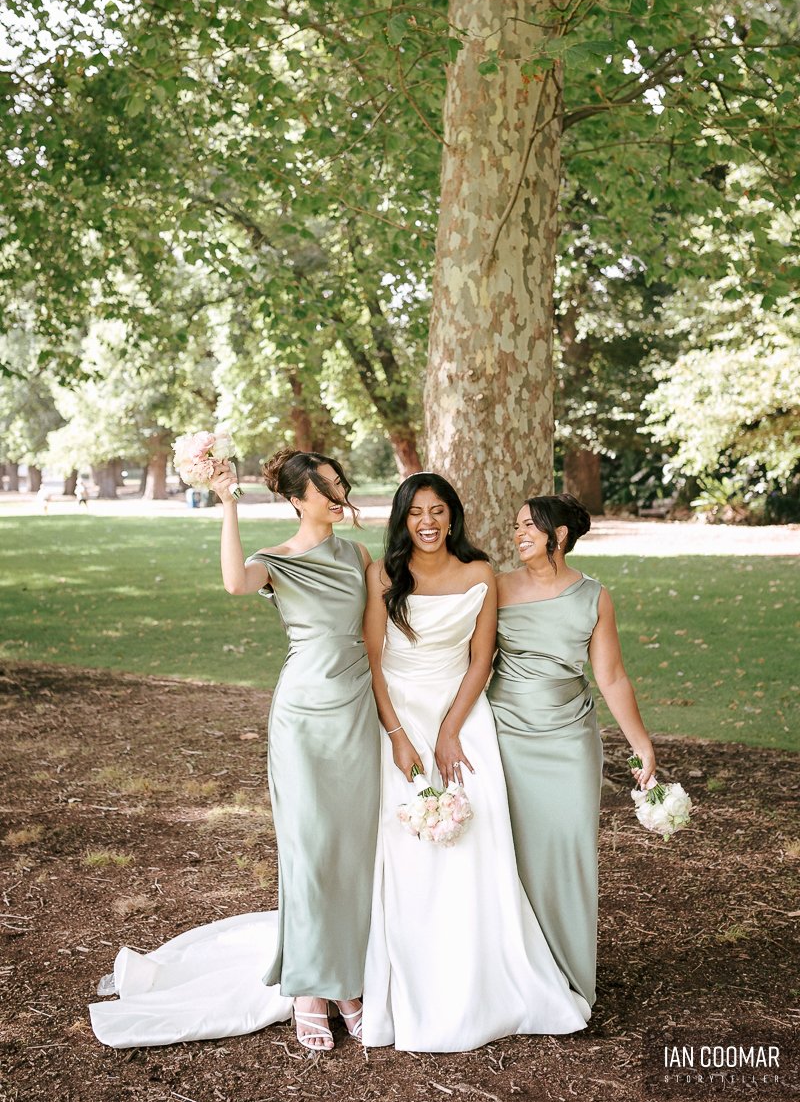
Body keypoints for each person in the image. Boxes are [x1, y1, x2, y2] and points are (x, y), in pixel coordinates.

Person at [89, 449, 380, 1052]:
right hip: (303, 714)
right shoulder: (275, 561)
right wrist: (227, 503)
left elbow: (380, 630)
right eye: (325, 488)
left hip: (356, 710)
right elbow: (233, 583)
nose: (338, 494)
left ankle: (345, 978)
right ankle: (309, 988)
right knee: (309, 848)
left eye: (339, 483)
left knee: (353, 848)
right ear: (296, 500)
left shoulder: (358, 555)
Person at [360, 474, 590, 1052]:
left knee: (477, 841)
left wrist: (449, 731)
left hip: (463, 717)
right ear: (402, 518)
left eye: (438, 511)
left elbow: (481, 660)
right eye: (416, 512)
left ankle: (484, 976)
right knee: (406, 850)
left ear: (453, 517)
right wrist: (398, 735)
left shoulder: (480, 573)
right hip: (398, 714)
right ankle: (413, 976)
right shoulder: (383, 575)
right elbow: (373, 661)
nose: (428, 522)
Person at [487, 493, 656, 1008]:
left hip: (570, 741)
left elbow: (611, 676)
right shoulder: (496, 587)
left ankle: (566, 975)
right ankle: (514, 972)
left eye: (528, 526)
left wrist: (641, 744)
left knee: (568, 850)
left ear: (558, 536)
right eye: (516, 526)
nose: (518, 534)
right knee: (512, 853)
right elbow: (470, 662)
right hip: (506, 735)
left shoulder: (594, 596)